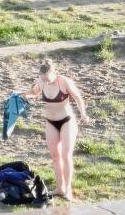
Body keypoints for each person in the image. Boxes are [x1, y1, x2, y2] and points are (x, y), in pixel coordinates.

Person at [23, 59, 89, 201]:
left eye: (47, 78)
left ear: (53, 72)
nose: (45, 82)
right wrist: (22, 94)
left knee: (66, 155)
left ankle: (68, 190)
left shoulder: (64, 82)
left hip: (67, 121)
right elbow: (34, 92)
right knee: (55, 156)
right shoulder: (41, 81)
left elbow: (78, 98)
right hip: (50, 122)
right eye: (43, 79)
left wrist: (83, 114)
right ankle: (60, 188)